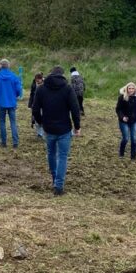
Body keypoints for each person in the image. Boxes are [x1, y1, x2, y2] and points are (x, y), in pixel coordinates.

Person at [32, 66, 81, 196]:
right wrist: (77, 126)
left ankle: (55, 180)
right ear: (62, 75)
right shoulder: (67, 88)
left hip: (48, 128)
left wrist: (41, 123)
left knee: (51, 154)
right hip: (64, 128)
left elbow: (35, 109)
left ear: (50, 74)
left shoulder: (41, 89)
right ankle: (58, 186)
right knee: (62, 156)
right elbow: (75, 109)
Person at [0, 58, 23, 148]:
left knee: (2, 122)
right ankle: (15, 142)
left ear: (0, 66)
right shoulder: (14, 76)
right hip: (12, 102)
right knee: (13, 122)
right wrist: (16, 95)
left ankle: (3, 142)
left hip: (1, 102)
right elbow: (19, 89)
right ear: (9, 66)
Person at [116, 82, 136, 160]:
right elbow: (118, 109)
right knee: (126, 138)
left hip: (134, 120)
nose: (131, 90)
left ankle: (133, 157)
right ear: (126, 89)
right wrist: (122, 117)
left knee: (134, 139)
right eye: (129, 88)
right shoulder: (122, 97)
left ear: (135, 89)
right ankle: (121, 153)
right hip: (124, 121)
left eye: (132, 88)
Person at [28, 72, 45, 139]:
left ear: (41, 79)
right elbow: (31, 94)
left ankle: (43, 133)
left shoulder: (46, 85)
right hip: (35, 104)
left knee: (44, 118)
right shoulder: (34, 85)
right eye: (36, 81)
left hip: (44, 104)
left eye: (38, 80)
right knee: (36, 119)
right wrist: (30, 103)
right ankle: (39, 134)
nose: (37, 82)